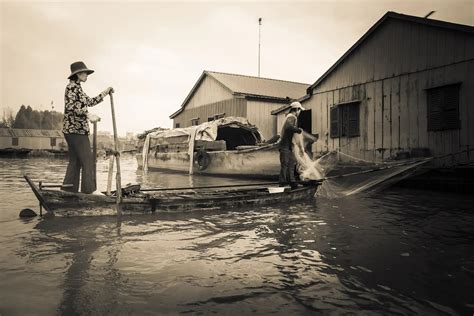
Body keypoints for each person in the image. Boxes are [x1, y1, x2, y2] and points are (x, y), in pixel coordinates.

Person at [62, 61, 113, 194]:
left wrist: (105, 92)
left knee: (76, 161)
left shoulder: (77, 88)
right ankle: (88, 191)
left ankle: (69, 191)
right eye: (85, 73)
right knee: (87, 160)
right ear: (78, 74)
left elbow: (90, 101)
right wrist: (87, 114)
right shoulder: (72, 87)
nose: (87, 75)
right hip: (76, 130)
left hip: (73, 130)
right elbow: (71, 107)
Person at [279, 101, 304, 188]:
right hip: (285, 145)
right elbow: (288, 127)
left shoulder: (290, 117)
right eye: (299, 110)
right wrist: (298, 130)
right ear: (296, 109)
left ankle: (292, 182)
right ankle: (282, 184)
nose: (299, 112)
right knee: (285, 164)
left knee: (291, 163)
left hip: (289, 145)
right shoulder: (291, 117)